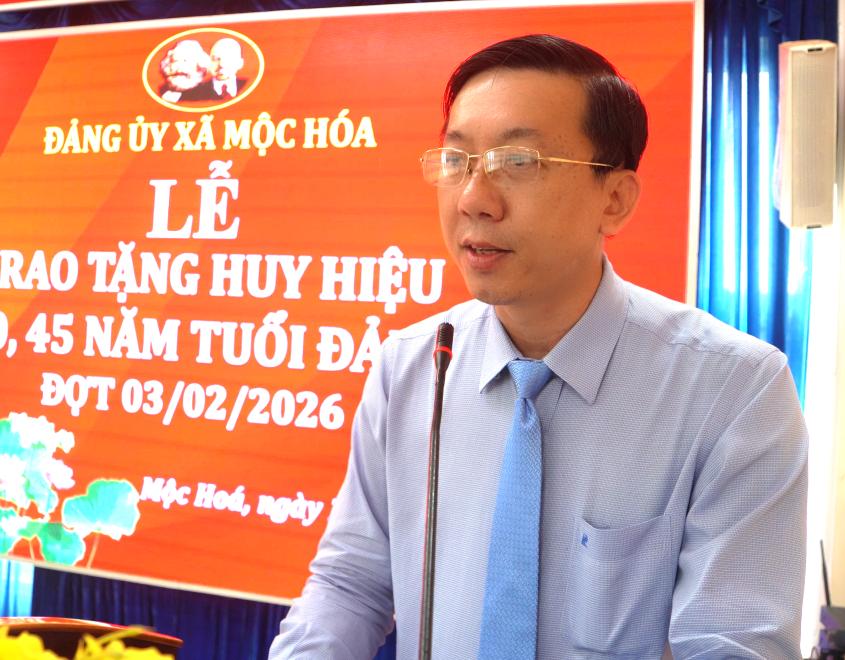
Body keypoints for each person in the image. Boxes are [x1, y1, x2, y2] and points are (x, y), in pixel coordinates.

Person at [269, 34, 807, 660]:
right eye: (457, 160)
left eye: (518, 162)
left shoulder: (734, 390)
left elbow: (730, 644)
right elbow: (350, 584)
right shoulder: (413, 366)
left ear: (615, 200)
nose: (473, 199)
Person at [183, 37, 248, 101]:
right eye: (216, 59)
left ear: (240, 63)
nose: (221, 64)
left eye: (228, 58)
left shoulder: (248, 86)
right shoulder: (193, 93)